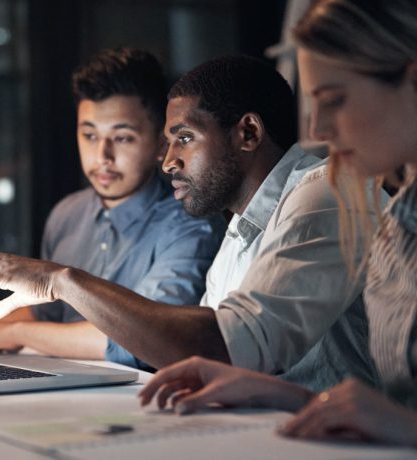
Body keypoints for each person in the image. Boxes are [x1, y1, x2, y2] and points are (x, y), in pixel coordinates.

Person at [0, 55, 384, 391]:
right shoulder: (240, 228)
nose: (169, 160)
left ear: (248, 134)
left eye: (185, 138)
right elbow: (207, 361)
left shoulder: (327, 192)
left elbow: (226, 346)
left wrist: (60, 280)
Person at [139, 0, 417, 447]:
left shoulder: (338, 193)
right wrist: (287, 396)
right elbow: (382, 409)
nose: (320, 128)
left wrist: (63, 280)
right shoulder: (401, 217)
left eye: (334, 100)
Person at [0, 48, 224, 370]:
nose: (103, 155)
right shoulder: (67, 214)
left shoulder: (190, 225)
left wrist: (18, 333)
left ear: (160, 143)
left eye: (123, 138)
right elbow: (48, 315)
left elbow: (142, 340)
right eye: (89, 135)